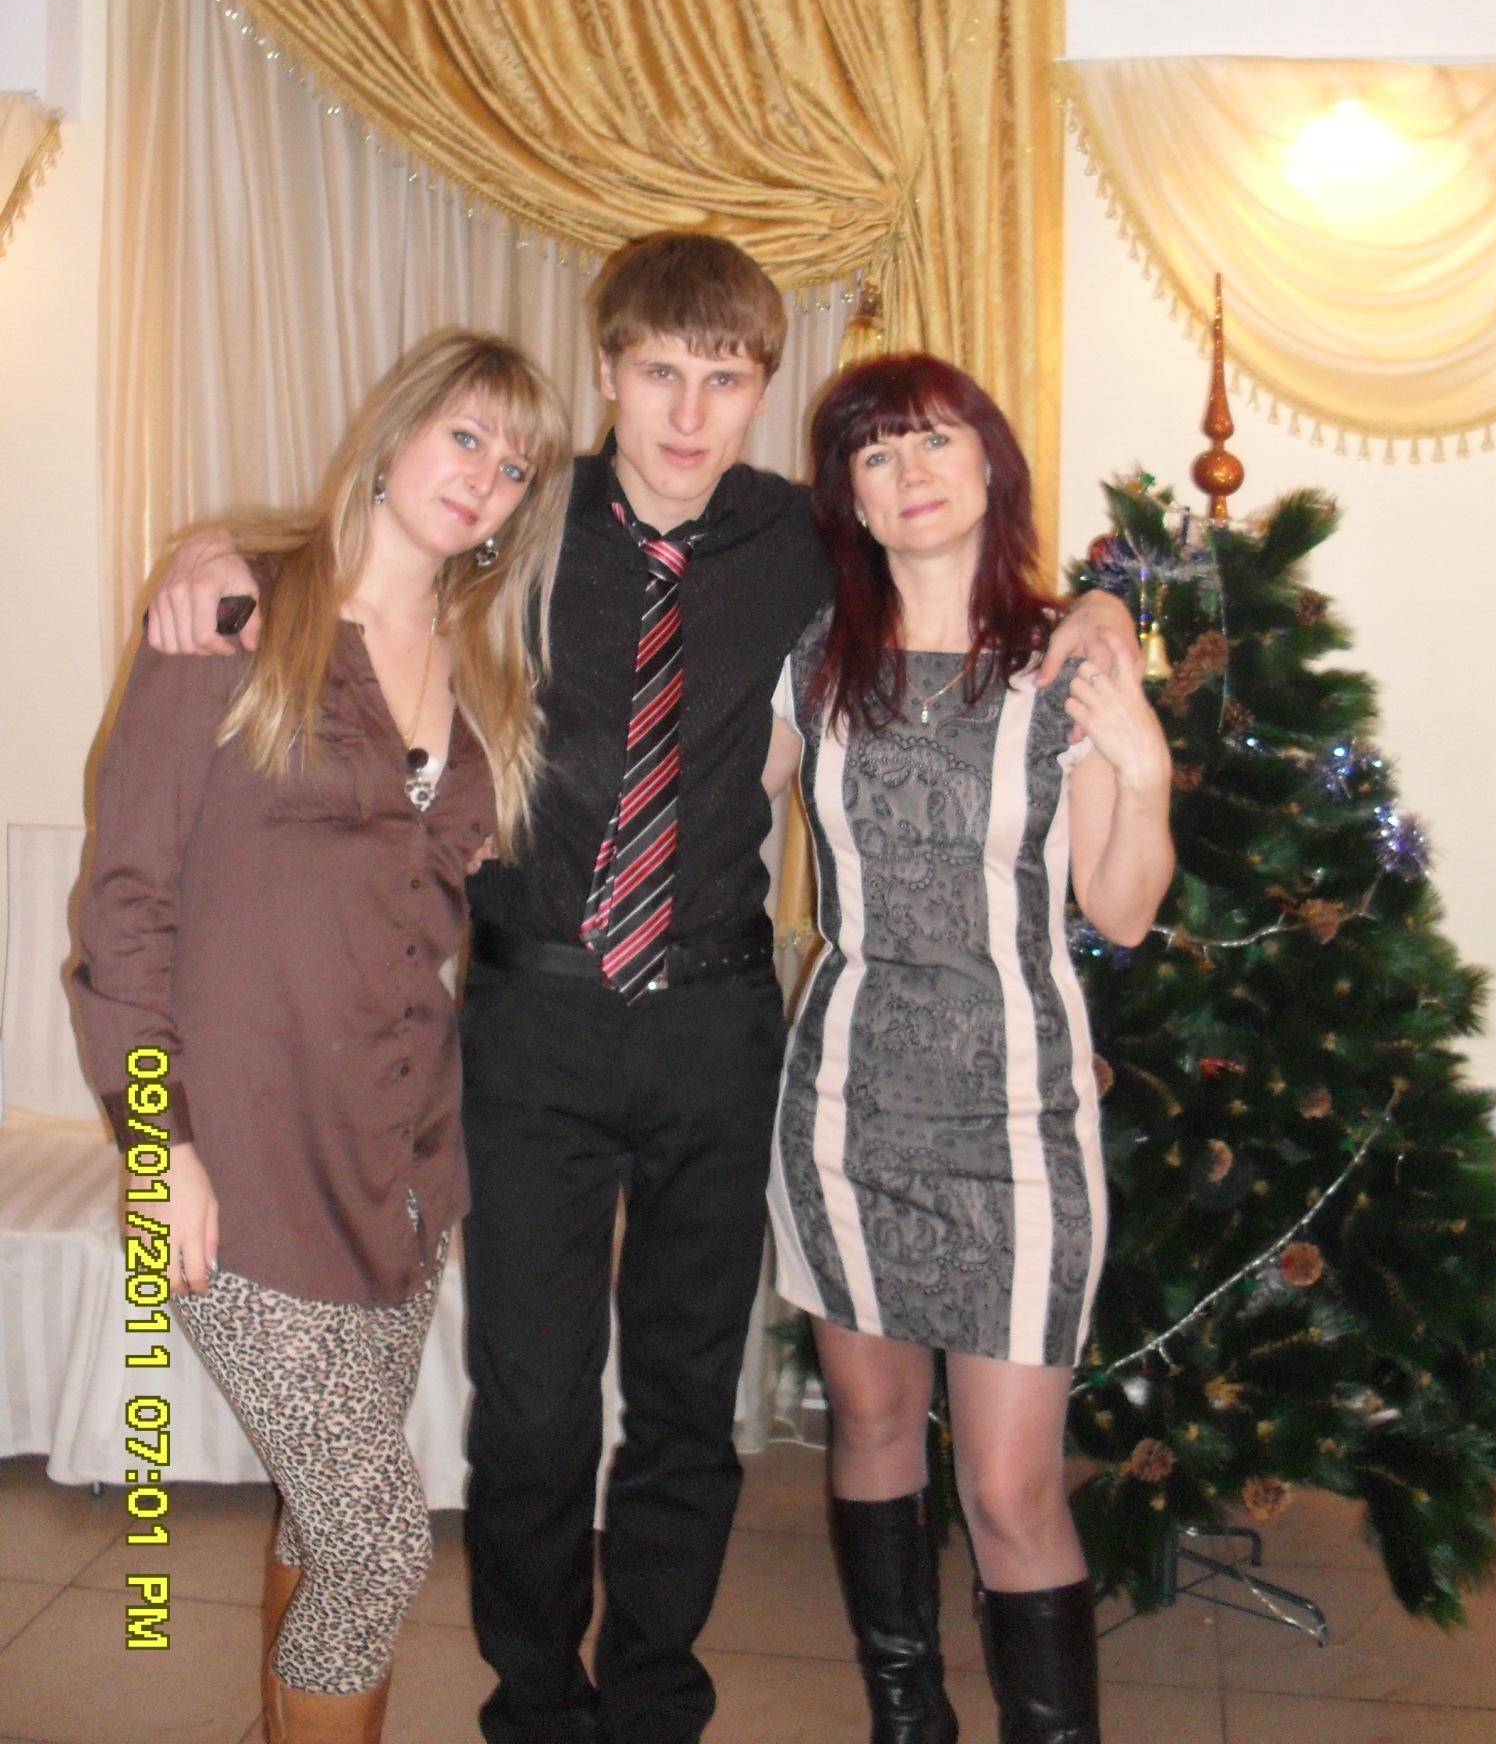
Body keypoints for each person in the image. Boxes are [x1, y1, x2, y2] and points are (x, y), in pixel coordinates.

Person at [144, 234, 1141, 1744]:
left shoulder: (805, 537)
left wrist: (1103, 616)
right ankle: (537, 1703)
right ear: (607, 367)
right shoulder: (520, 520)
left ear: (760, 388)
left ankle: (657, 1701)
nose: (688, 412)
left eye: (724, 379)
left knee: (685, 1405)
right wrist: (214, 551)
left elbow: (962, 565)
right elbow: (368, 536)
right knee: (533, 1407)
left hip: (716, 1026)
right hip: (530, 1020)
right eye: (660, 372)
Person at [74, 330, 572, 1744]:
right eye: (466, 436)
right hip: (241, 1169)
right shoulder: (240, 615)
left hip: (400, 1174)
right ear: (398, 428)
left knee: (320, 1511)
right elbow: (124, 907)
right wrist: (160, 1145)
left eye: (515, 466)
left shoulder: (484, 677)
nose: (484, 477)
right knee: (376, 1545)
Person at [761, 353, 1174, 1744]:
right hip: (845, 1112)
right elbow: (704, 815)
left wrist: (1145, 774)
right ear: (853, 501)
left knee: (1010, 1489)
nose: (912, 473)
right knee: (873, 1431)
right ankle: (907, 1719)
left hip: (1018, 1123)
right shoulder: (813, 666)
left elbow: (1121, 907)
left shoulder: (1067, 662)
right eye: (876, 455)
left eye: (936, 441)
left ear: (990, 465)